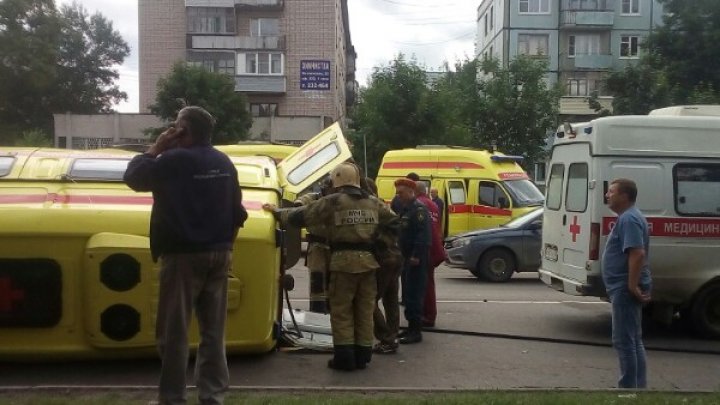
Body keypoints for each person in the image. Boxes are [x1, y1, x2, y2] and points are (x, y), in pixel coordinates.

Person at [124, 106, 247, 405]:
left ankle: (172, 399)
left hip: (182, 257)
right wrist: (226, 247)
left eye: (175, 126)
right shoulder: (223, 161)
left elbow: (134, 177)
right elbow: (238, 212)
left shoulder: (173, 160)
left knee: (174, 334)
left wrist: (157, 146)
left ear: (183, 130)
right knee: (213, 334)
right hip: (219, 254)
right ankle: (213, 397)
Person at [263, 163, 397, 371]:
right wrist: (378, 242)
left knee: (342, 310)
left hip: (343, 263)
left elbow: (301, 216)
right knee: (364, 309)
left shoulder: (333, 201)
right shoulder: (373, 202)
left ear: (337, 180)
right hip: (369, 264)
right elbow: (396, 223)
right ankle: (363, 355)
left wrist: (277, 212)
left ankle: (344, 358)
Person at [602, 178, 652, 389]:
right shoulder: (628, 217)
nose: (607, 195)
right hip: (623, 286)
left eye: (611, 191)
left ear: (624, 196)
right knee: (632, 339)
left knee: (624, 342)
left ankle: (629, 391)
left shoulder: (629, 219)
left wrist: (631, 285)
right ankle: (637, 389)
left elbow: (637, 253)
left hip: (624, 287)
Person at [394, 178, 431, 344]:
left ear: (411, 192)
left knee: (414, 294)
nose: (398, 196)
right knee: (408, 294)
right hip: (407, 258)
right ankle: (410, 328)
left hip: (416, 260)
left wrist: (416, 255)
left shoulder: (419, 210)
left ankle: (416, 331)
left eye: (400, 192)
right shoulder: (407, 209)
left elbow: (423, 236)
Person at [415, 182, 446, 328]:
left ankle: (426, 316)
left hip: (424, 250)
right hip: (434, 248)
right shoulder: (433, 205)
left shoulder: (418, 204)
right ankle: (429, 314)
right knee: (428, 284)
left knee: (422, 285)